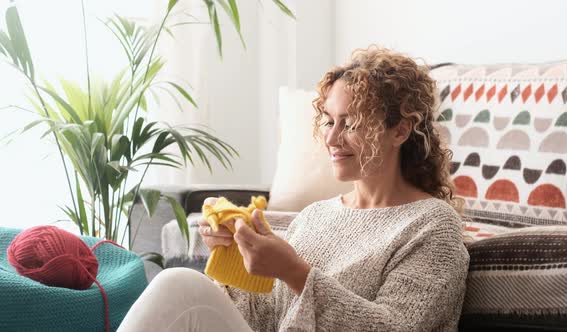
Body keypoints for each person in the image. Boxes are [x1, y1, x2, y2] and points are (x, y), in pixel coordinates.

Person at [118, 46, 469, 332]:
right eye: (330, 121)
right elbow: (263, 320)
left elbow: (397, 327)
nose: (331, 137)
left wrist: (294, 272)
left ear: (400, 131)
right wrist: (239, 256)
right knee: (181, 285)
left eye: (352, 123)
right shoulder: (316, 217)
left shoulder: (432, 227)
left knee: (179, 285)